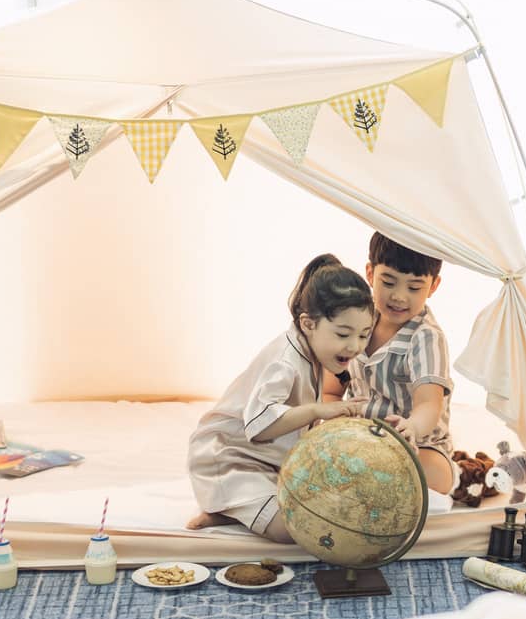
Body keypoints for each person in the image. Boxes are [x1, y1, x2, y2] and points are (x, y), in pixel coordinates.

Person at [185, 254, 374, 543]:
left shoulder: (311, 351)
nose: (355, 346)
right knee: (294, 531)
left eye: (363, 335)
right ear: (308, 324)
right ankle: (231, 505)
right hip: (228, 457)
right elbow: (259, 427)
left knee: (338, 503)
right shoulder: (284, 362)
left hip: (267, 462)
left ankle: (238, 509)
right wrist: (317, 410)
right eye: (343, 334)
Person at [323, 232, 456, 494]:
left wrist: (412, 427)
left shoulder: (426, 337)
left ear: (434, 286)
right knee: (308, 449)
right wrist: (332, 423)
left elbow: (430, 403)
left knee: (431, 473)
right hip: (360, 437)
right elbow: (330, 390)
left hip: (415, 444)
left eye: (414, 287)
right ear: (370, 274)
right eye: (389, 282)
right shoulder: (357, 320)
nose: (399, 296)